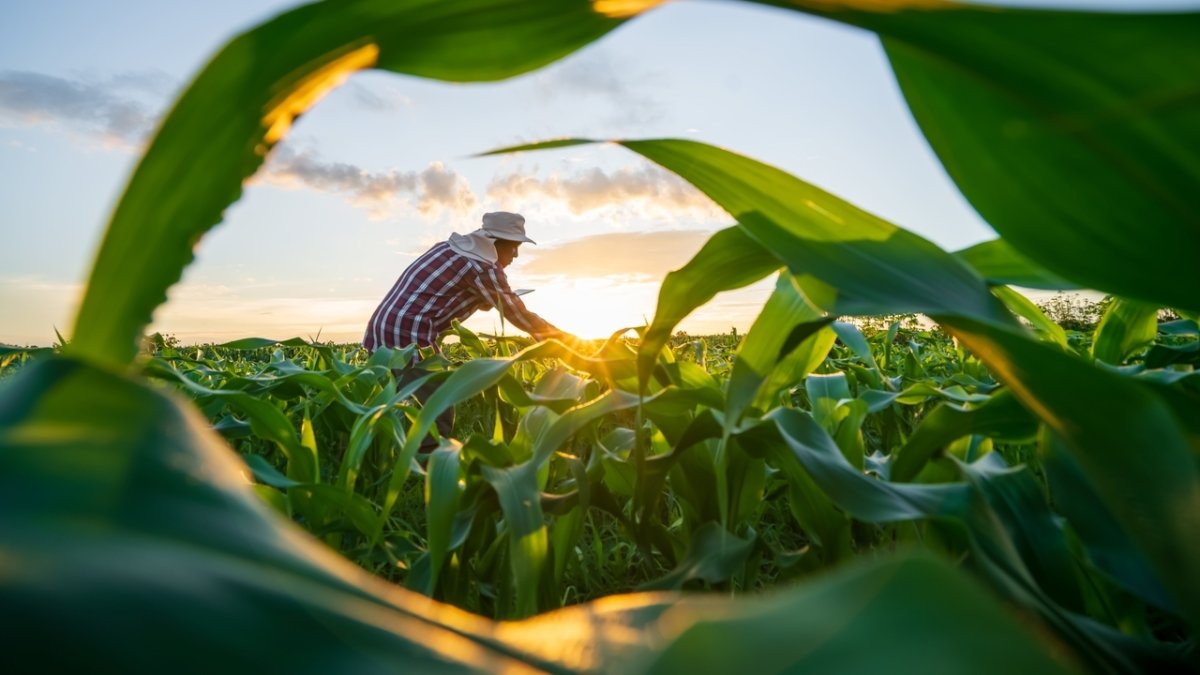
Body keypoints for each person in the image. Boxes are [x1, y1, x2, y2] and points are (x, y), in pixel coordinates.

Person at [363, 211, 570, 449]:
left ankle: (385, 453)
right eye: (513, 246)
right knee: (437, 405)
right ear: (494, 243)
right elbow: (518, 314)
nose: (516, 254)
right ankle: (427, 462)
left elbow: (444, 294)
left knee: (395, 403)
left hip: (383, 328)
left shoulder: (451, 249)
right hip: (409, 334)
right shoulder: (483, 267)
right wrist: (564, 343)